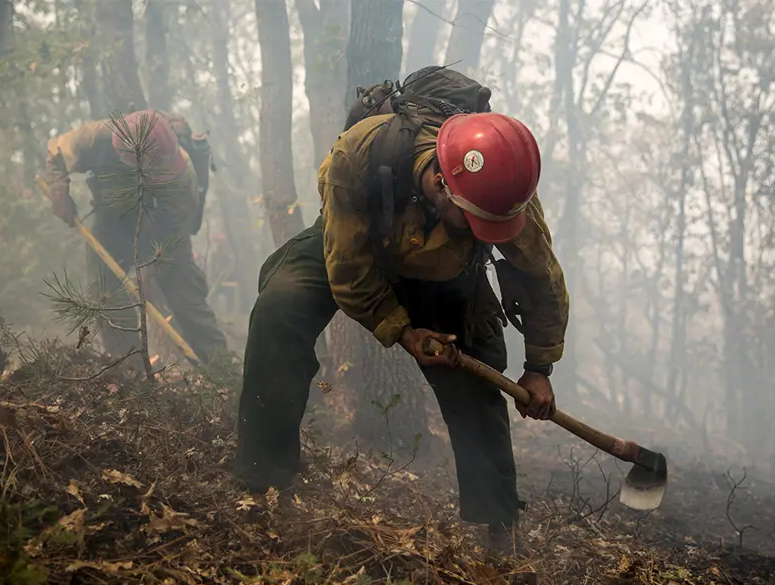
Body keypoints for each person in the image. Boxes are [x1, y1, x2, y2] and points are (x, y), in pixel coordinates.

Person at [234, 100, 569, 548]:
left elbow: (541, 276)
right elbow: (348, 271)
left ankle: (498, 526)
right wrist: (404, 331)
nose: (482, 229)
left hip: (448, 272)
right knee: (279, 310)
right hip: (357, 245)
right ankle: (262, 483)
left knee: (479, 374)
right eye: (474, 220)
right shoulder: (358, 155)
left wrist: (540, 367)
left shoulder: (505, 189)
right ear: (439, 183)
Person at [44, 109, 228, 364]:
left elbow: (178, 228)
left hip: (164, 231)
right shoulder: (97, 137)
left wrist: (151, 267)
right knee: (106, 293)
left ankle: (223, 371)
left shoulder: (182, 170)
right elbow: (56, 153)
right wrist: (58, 188)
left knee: (186, 297)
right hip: (112, 223)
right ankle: (129, 371)